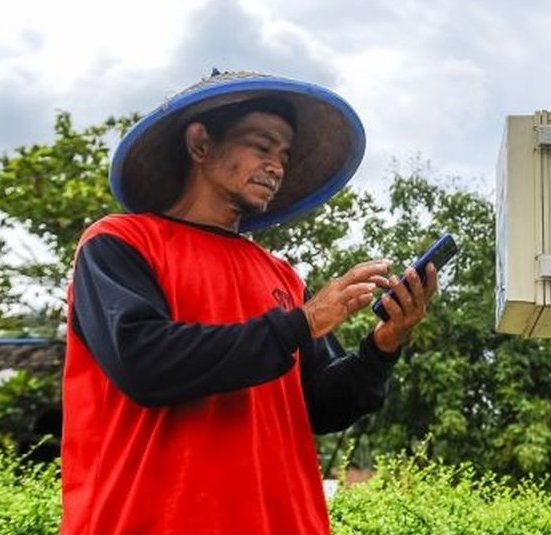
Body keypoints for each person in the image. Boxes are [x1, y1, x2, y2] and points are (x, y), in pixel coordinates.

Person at [60, 71, 436, 534]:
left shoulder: (281, 276)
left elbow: (321, 407)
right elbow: (143, 362)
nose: (277, 166)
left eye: (284, 155)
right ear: (200, 144)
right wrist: (302, 322)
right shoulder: (120, 243)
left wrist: (382, 346)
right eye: (262, 146)